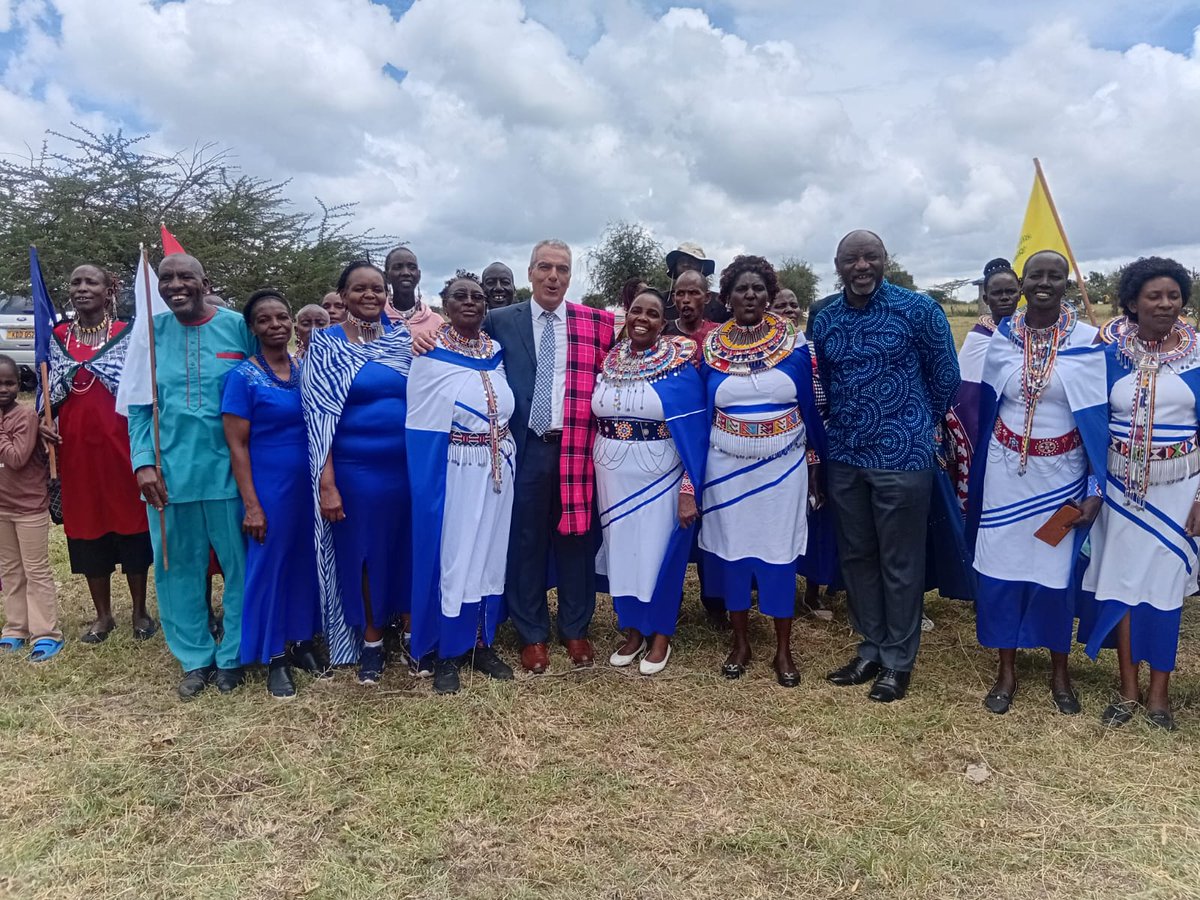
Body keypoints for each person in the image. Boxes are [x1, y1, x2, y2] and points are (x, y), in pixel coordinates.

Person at [811, 230, 959, 703]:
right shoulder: (826, 317)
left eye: (869, 257)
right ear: (837, 264)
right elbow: (824, 381)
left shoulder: (918, 310)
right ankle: (870, 647)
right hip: (846, 454)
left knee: (899, 560)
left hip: (903, 455)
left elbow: (946, 377)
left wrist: (917, 425)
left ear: (884, 260)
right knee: (857, 556)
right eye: (851, 259)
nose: (860, 266)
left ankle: (898, 659)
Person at [966, 250, 1108, 716]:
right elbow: (981, 407)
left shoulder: (1089, 342)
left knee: (1053, 577)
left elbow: (1099, 425)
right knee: (1001, 570)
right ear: (1022, 283)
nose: (1044, 282)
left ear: (1066, 283)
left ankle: (1058, 670)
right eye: (1036, 275)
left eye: (1055, 275)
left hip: (1062, 477)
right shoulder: (1001, 337)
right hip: (1005, 473)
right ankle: (1006, 669)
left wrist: (1094, 489)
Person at [482, 239, 615, 674]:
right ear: (530, 273)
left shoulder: (594, 323)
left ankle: (575, 629)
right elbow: (461, 345)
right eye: (544, 267)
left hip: (576, 448)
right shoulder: (500, 320)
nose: (553, 276)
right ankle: (532, 633)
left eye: (562, 269)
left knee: (577, 538)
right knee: (526, 541)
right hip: (526, 449)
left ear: (571, 276)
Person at [1078, 257, 1199, 731]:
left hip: (1180, 491)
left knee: (1165, 591)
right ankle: (1127, 691)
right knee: (1123, 589)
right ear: (1131, 303)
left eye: (1173, 295)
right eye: (1154, 296)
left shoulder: (1198, 358)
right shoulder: (1106, 358)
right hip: (1121, 494)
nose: (1166, 304)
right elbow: (1088, 429)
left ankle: (1159, 696)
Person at [127, 254, 255, 699]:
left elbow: (262, 384)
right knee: (177, 569)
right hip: (169, 475)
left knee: (241, 567)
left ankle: (234, 654)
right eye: (166, 278)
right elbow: (139, 407)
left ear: (206, 281)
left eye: (185, 276)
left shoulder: (238, 327)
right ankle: (195, 657)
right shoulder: (149, 335)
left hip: (230, 473)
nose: (175, 285)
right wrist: (143, 461)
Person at [699, 255, 829, 687]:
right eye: (741, 289)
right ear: (728, 296)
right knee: (734, 552)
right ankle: (740, 643)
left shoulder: (794, 344)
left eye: (757, 289)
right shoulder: (711, 349)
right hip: (726, 466)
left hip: (782, 466)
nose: (750, 295)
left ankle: (783, 650)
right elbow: (700, 411)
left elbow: (810, 410)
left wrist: (814, 468)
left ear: (769, 295)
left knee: (778, 553)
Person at [301, 261, 414, 684]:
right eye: (360, 289)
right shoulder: (326, 346)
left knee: (407, 548)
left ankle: (408, 632)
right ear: (343, 296)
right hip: (355, 470)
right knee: (363, 555)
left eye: (377, 289)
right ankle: (370, 641)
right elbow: (317, 416)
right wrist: (326, 482)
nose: (370, 295)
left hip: (405, 467)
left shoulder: (403, 341)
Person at [407, 273, 517, 694]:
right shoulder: (430, 351)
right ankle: (444, 651)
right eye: (460, 296)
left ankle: (480, 643)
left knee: (489, 553)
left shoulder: (494, 349)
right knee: (455, 555)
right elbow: (419, 425)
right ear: (445, 304)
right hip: (455, 468)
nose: (470, 302)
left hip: (500, 466)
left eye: (477, 297)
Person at [593, 288, 706, 675]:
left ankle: (660, 635)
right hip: (610, 473)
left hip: (661, 475)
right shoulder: (610, 359)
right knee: (622, 552)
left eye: (653, 313)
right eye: (636, 310)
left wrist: (690, 490)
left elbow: (695, 436)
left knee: (659, 554)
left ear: (663, 320)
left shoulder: (679, 365)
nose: (642, 318)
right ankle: (632, 631)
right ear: (626, 315)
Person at [42, 264, 155, 644]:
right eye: (75, 282)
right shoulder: (57, 337)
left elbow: (142, 389)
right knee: (87, 526)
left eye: (92, 282)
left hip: (121, 446)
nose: (82, 288)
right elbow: (47, 391)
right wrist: (43, 418)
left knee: (132, 522)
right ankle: (103, 615)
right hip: (75, 451)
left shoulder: (128, 335)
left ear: (111, 291)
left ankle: (140, 611)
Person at [222, 290, 326, 699]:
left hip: (309, 485)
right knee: (270, 567)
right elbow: (237, 446)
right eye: (265, 320)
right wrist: (252, 505)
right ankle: (272, 656)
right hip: (269, 487)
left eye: (282, 317)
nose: (275, 325)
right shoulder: (242, 377)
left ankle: (301, 641)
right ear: (253, 328)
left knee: (304, 562)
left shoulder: (304, 368)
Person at [946, 258, 1021, 513]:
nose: (1004, 298)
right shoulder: (979, 339)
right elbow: (965, 397)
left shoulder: (1034, 334)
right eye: (997, 293)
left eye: (1010, 291)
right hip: (986, 434)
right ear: (986, 298)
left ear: (1020, 293)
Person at [0, 354, 62, 662]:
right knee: (11, 571)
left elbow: (16, 457)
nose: (3, 389)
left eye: (9, 383)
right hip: (2, 507)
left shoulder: (25, 417)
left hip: (28, 507)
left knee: (35, 570)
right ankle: (15, 628)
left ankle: (46, 632)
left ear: (19, 385)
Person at [383, 246, 443, 340]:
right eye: (398, 267)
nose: (406, 273)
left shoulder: (437, 323)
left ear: (419, 275)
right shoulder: (377, 319)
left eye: (412, 267)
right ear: (386, 276)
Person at [665, 241, 724, 323]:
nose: (686, 264)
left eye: (691, 261)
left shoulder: (719, 302)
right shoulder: (661, 301)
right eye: (682, 261)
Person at [664, 270, 717, 344]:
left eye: (693, 293)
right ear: (674, 299)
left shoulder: (717, 335)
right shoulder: (662, 331)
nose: (686, 300)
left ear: (707, 297)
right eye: (680, 294)